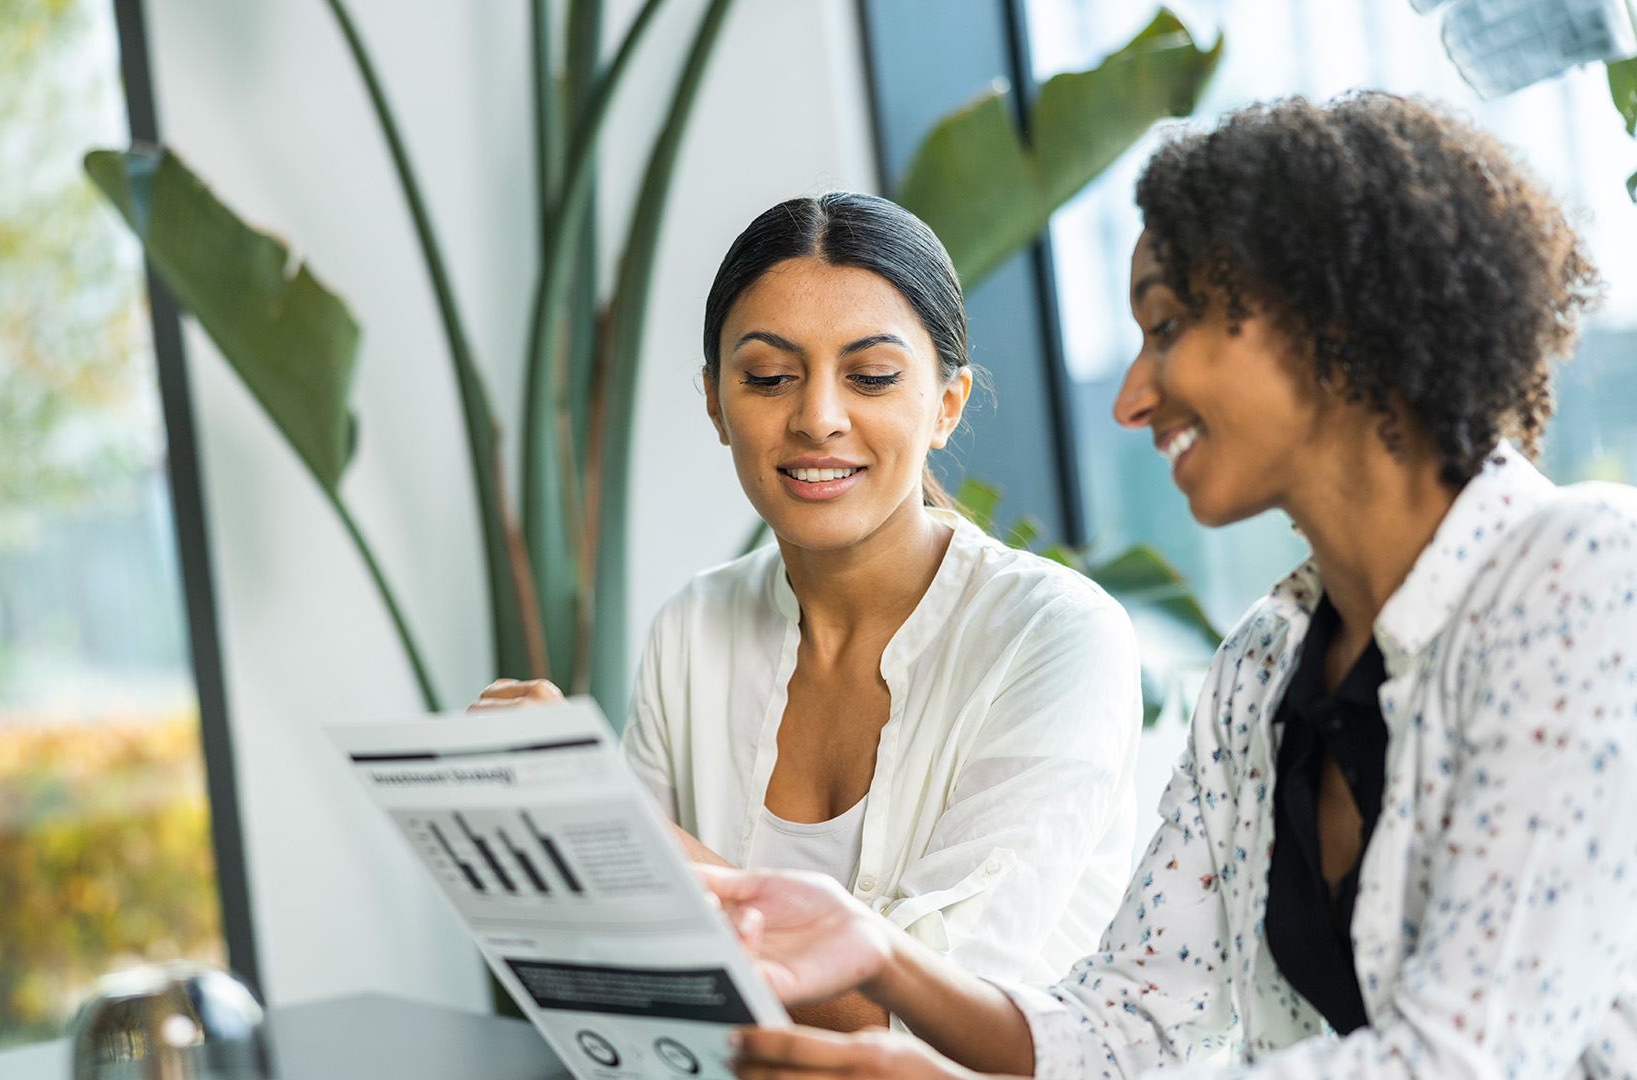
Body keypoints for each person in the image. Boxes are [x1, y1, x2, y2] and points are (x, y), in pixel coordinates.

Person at [700, 92, 1637, 1079]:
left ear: (1331, 318)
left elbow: (1463, 1058)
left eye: (1166, 325)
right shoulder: (1267, 666)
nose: (1133, 397)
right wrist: (883, 957)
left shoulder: (1590, 573)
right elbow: (1127, 1026)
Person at [474, 192, 1145, 1031]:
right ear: (717, 403)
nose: (818, 418)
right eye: (767, 377)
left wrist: (617, 821)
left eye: (870, 377)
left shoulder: (1055, 636)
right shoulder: (693, 628)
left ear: (947, 404)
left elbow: (927, 1016)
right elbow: (634, 965)